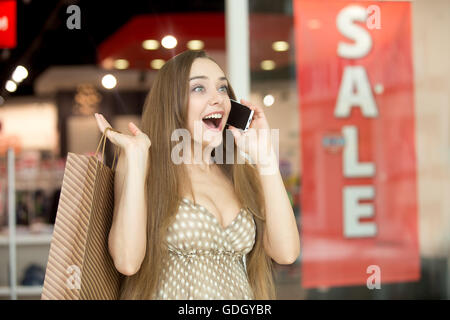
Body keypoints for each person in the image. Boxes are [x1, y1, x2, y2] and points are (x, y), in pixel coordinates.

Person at [94, 50, 300, 300]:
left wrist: (266, 157)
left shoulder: (240, 173)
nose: (218, 99)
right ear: (171, 101)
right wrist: (137, 161)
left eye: (222, 89)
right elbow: (127, 261)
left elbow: (286, 253)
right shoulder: (143, 164)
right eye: (199, 89)